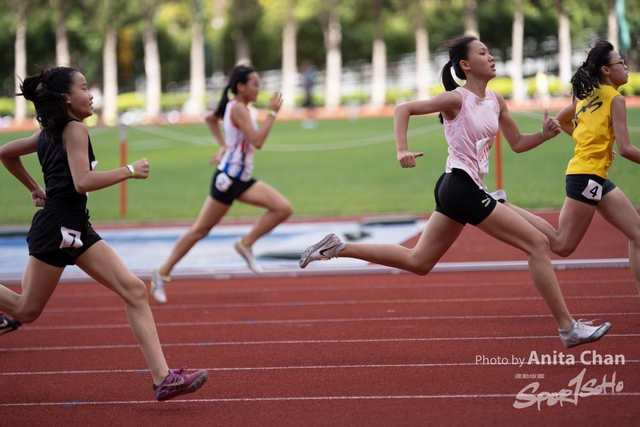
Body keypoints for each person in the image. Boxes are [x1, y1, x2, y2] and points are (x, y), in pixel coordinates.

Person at [299, 35, 611, 349]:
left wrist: (543, 135)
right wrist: (402, 149)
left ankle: (338, 247)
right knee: (538, 243)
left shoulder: (496, 101)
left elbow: (517, 144)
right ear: (465, 65)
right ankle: (568, 328)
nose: (491, 57)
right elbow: (402, 109)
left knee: (419, 261)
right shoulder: (456, 99)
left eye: (489, 51)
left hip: (458, 188)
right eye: (482, 53)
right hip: (461, 187)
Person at [0, 66, 208, 401]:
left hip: (75, 226)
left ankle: (163, 379)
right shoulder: (74, 129)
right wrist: (129, 170)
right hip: (58, 227)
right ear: (67, 98)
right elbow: (83, 181)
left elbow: (5, 153)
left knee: (134, 290)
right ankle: (163, 378)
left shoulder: (49, 133)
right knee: (26, 310)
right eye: (84, 88)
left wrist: (35, 188)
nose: (91, 94)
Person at [505, 40, 640, 297]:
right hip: (587, 176)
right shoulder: (616, 99)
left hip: (593, 176)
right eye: (621, 62)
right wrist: (593, 145)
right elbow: (626, 149)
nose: (625, 67)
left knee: (638, 233)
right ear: (606, 70)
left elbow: (561, 120)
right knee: (562, 244)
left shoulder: (586, 94)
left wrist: (591, 142)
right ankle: (504, 206)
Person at [151, 64, 292, 303]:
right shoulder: (238, 109)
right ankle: (162, 272)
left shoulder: (235, 106)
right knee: (200, 230)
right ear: (241, 86)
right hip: (228, 180)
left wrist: (224, 145)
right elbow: (257, 141)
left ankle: (245, 244)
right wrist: (272, 113)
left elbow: (211, 119)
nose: (258, 89)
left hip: (242, 178)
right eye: (255, 84)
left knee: (282, 208)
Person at [301, 60, 317, 129]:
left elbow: (309, 83)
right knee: (308, 106)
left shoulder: (309, 73)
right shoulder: (307, 73)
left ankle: (311, 119)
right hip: (308, 91)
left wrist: (308, 91)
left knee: (310, 106)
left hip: (309, 92)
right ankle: (309, 118)